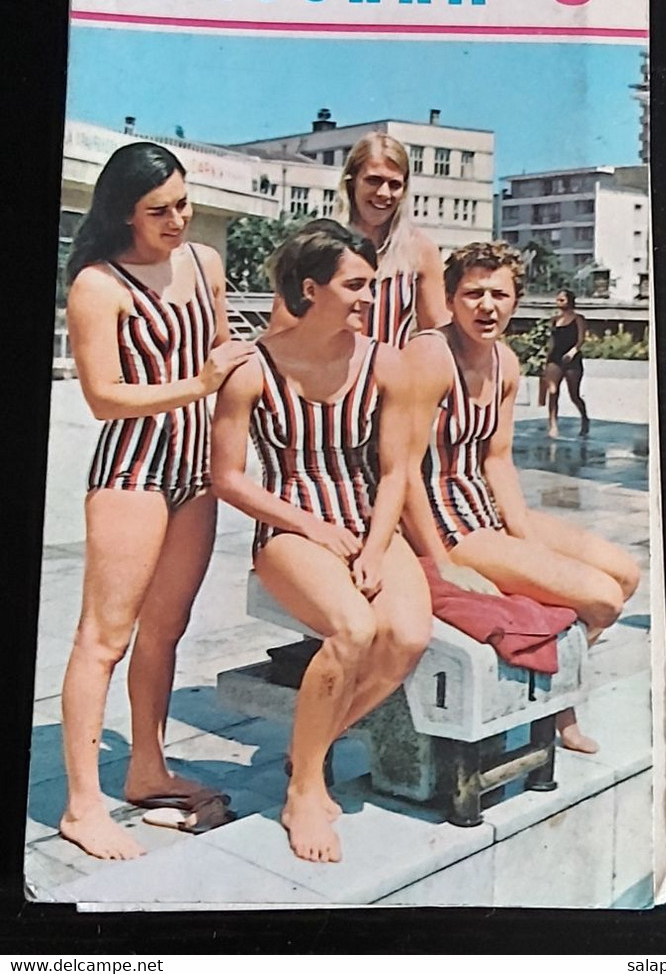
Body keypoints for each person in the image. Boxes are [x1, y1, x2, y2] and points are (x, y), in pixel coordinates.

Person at [211, 220, 431, 863]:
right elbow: (225, 477)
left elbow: (396, 471)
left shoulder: (384, 361)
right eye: (356, 285)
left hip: (366, 521)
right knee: (354, 631)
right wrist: (312, 527)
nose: (369, 298)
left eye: (372, 284)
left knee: (409, 639)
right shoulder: (253, 369)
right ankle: (305, 789)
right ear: (312, 288)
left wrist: (373, 546)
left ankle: (304, 751)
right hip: (289, 525)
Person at [60, 142, 251, 860]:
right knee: (103, 637)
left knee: (166, 628)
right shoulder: (97, 285)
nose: (179, 218)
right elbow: (105, 397)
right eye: (160, 210)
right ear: (124, 213)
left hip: (194, 471)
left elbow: (225, 348)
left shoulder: (204, 263)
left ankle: (146, 764)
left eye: (183, 202)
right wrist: (198, 386)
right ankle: (82, 804)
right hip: (132, 472)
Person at [402, 241, 640, 754]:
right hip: (445, 525)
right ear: (449, 298)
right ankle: (553, 706)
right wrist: (440, 561)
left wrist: (527, 539)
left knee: (625, 574)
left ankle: (548, 695)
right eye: (472, 294)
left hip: (481, 509)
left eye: (499, 294)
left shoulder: (505, 362)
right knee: (600, 598)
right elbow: (398, 470)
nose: (486, 306)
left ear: (516, 300)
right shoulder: (429, 354)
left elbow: (497, 461)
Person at [267, 131, 449, 346]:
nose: (384, 193)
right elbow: (281, 330)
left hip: (390, 375)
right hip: (325, 376)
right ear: (352, 182)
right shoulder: (317, 243)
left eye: (394, 184)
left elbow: (436, 334)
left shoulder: (419, 250)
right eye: (373, 180)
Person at [543, 288, 589, 438]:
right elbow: (551, 341)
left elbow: (581, 339)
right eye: (557, 299)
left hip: (572, 359)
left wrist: (572, 352)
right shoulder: (554, 320)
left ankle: (584, 418)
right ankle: (553, 424)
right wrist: (545, 359)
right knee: (552, 391)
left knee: (573, 394)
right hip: (555, 358)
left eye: (562, 299)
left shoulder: (578, 318)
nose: (558, 302)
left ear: (570, 301)